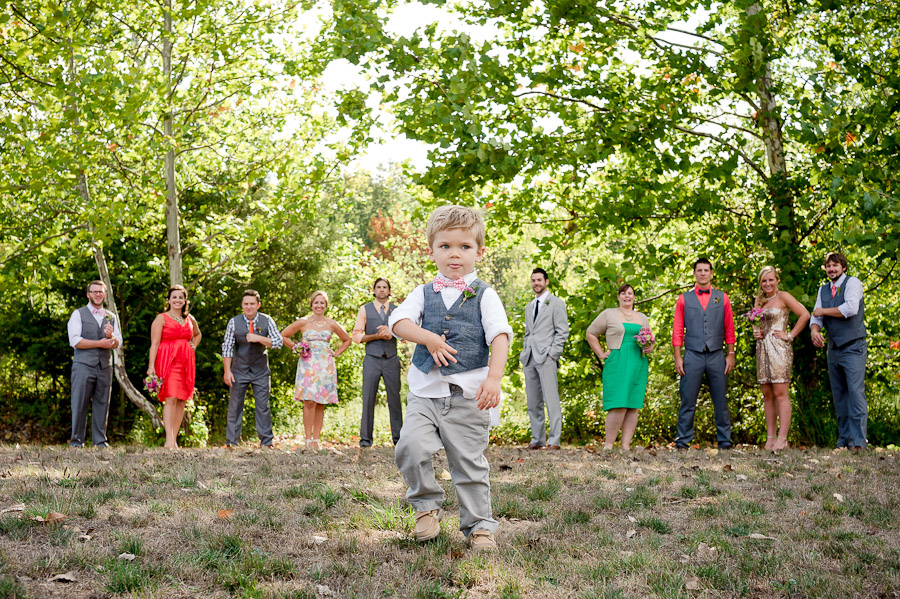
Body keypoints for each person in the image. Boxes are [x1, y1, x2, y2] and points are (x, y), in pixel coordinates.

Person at [389, 205, 511, 552]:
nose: (454, 254)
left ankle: (480, 528)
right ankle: (426, 507)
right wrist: (427, 337)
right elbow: (400, 323)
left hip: (468, 395)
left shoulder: (485, 294)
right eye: (445, 246)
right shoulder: (423, 292)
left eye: (464, 247)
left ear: (479, 251)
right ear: (432, 250)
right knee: (410, 447)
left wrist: (494, 378)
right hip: (426, 393)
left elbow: (499, 336)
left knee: (468, 464)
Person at [672, 258, 736, 449]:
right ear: (694, 274)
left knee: (721, 400)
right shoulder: (684, 299)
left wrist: (730, 354)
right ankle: (682, 441)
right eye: (699, 270)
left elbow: (729, 328)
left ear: (711, 273)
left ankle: (725, 441)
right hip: (692, 354)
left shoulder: (722, 297)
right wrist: (678, 357)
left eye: (706, 270)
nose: (702, 273)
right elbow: (677, 330)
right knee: (688, 399)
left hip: (717, 354)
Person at [810, 252, 867, 450]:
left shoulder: (853, 283)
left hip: (853, 346)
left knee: (855, 393)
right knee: (839, 396)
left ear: (843, 267)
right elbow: (815, 317)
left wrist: (823, 312)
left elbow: (850, 308)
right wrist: (815, 330)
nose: (831, 269)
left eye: (835, 265)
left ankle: (859, 442)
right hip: (833, 348)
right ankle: (843, 441)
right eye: (828, 266)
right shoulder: (823, 290)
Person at [586, 284, 653, 451]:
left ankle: (625, 445)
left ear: (634, 297)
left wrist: (649, 346)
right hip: (617, 361)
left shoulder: (642, 317)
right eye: (623, 293)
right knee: (618, 403)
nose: (627, 296)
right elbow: (591, 333)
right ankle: (608, 445)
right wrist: (601, 353)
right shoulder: (609, 314)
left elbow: (649, 339)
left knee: (633, 404)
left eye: (630, 293)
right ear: (618, 297)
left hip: (638, 361)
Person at [281, 290, 352, 450]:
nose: (319, 305)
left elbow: (347, 340)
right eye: (316, 302)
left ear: (326, 305)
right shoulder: (303, 322)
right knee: (310, 401)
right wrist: (296, 347)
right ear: (312, 304)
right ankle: (307, 439)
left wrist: (336, 353)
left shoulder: (331, 324)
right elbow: (284, 335)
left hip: (326, 365)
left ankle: (316, 440)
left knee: (321, 402)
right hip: (308, 364)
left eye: (322, 303)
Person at [752, 266, 809, 450]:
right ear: (760, 283)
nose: (767, 283)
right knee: (767, 395)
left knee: (780, 393)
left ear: (777, 280)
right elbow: (756, 324)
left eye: (771, 280)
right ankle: (770, 438)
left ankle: (782, 438)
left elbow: (805, 314)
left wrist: (790, 335)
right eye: (764, 281)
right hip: (762, 350)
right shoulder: (759, 302)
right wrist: (756, 332)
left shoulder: (783, 297)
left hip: (779, 350)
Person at [221, 290, 283, 449]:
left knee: (263, 406)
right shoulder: (234, 322)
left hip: (261, 371)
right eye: (246, 304)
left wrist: (259, 338)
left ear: (258, 305)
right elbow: (227, 348)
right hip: (239, 370)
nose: (249, 307)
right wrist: (227, 371)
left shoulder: (266, 320)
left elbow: (278, 342)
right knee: (235, 406)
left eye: (252, 304)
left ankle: (266, 442)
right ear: (242, 305)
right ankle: (232, 442)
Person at [67, 280, 122, 448]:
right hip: (83, 365)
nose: (98, 294)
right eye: (94, 291)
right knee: (79, 403)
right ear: (88, 294)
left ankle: (100, 441)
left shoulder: (111, 316)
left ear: (105, 295)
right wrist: (100, 343)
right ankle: (76, 441)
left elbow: (118, 341)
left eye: (101, 292)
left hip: (105, 366)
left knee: (102, 403)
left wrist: (111, 339)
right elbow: (75, 341)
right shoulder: (78, 314)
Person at [147, 285, 202, 449]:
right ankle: (169, 440)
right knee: (170, 398)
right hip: (167, 362)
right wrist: (151, 367)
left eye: (181, 297)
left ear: (185, 300)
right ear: (169, 300)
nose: (177, 300)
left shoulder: (189, 319)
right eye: (174, 297)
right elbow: (154, 344)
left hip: (186, 363)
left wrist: (193, 345)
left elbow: (198, 334)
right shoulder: (161, 318)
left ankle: (175, 439)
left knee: (181, 400)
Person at [520, 268, 569, 450]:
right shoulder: (529, 306)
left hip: (547, 357)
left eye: (539, 280)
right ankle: (537, 439)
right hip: (530, 357)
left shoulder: (556, 303)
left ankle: (554, 440)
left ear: (546, 281)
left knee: (551, 400)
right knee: (533, 401)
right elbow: (528, 333)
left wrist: (552, 354)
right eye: (533, 280)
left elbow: (562, 331)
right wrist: (526, 349)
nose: (536, 283)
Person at [351, 277, 403, 447]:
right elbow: (357, 336)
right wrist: (376, 336)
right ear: (374, 290)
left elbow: (405, 336)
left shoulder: (397, 311)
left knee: (394, 399)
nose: (381, 290)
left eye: (385, 287)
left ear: (389, 291)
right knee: (368, 399)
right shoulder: (364, 310)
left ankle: (399, 439)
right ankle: (365, 440)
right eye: (378, 287)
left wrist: (392, 332)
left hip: (391, 359)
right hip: (372, 360)